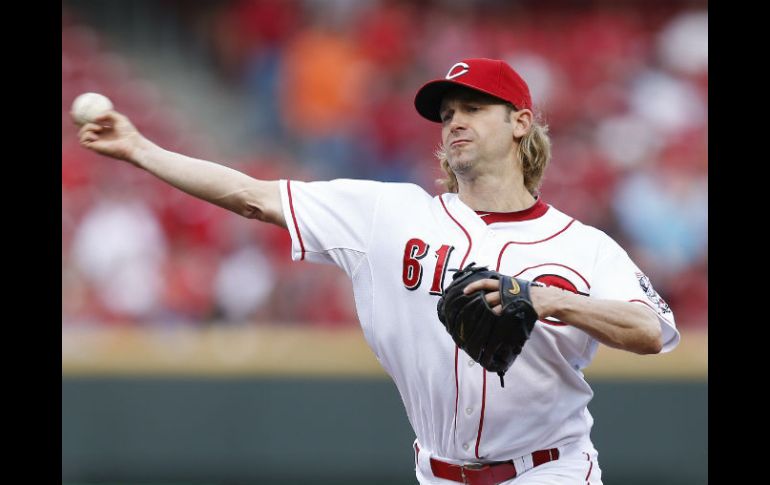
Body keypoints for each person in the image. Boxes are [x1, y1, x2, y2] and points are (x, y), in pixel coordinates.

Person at [75, 57, 679, 485]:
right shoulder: (388, 215)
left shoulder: (581, 245)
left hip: (552, 469)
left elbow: (650, 331)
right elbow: (251, 195)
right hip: (436, 471)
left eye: (474, 108)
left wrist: (549, 302)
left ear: (521, 123)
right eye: (447, 115)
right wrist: (140, 150)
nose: (455, 122)